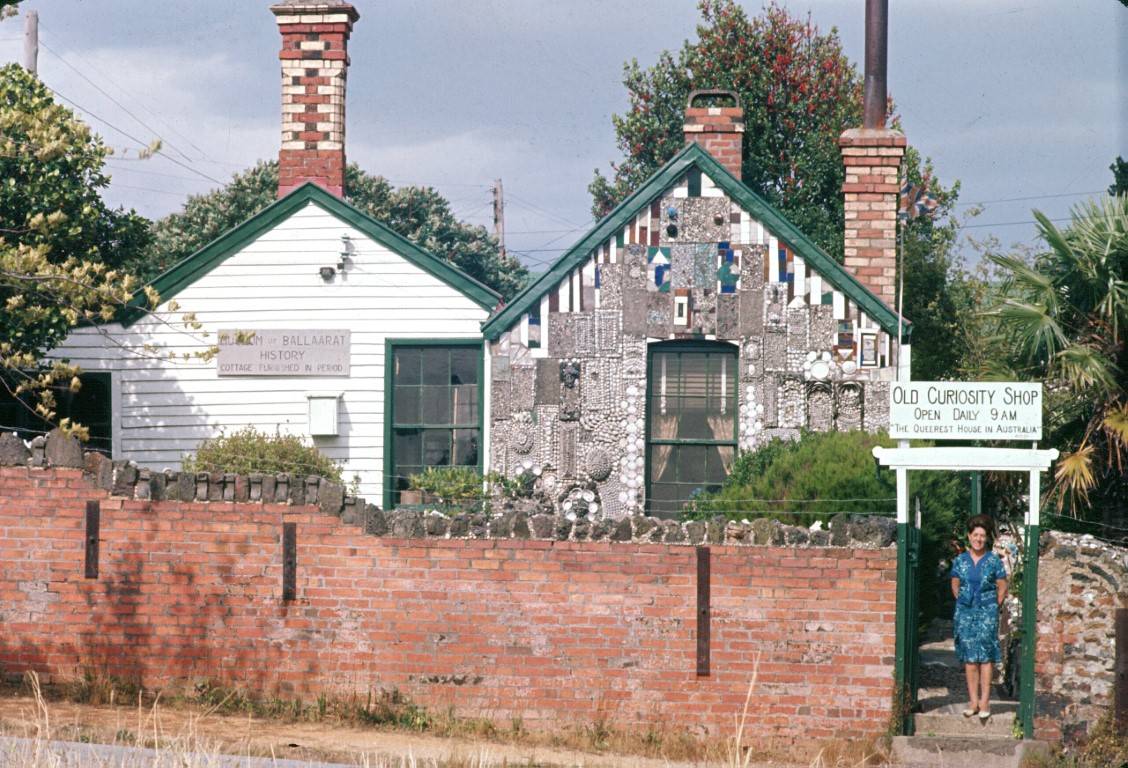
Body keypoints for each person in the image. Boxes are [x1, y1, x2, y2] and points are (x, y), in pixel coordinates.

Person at [950, 514, 1008, 721]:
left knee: (985, 657)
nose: (979, 539)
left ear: (986, 538)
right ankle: (973, 702)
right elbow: (955, 584)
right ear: (969, 536)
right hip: (965, 613)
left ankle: (985, 702)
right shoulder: (960, 561)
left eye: (982, 536)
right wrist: (964, 603)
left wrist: (991, 606)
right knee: (970, 658)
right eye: (975, 535)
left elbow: (1002, 587)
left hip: (987, 614)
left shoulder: (993, 561)